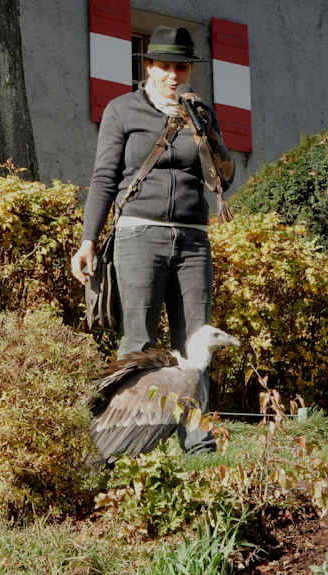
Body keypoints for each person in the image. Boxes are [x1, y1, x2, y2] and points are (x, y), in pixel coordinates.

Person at [70, 25, 234, 450]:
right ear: (148, 67)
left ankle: (198, 442)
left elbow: (222, 178)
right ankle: (120, 437)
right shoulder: (122, 110)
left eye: (181, 67)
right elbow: (104, 178)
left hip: (193, 239)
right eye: (164, 66)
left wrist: (206, 131)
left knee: (195, 341)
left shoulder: (201, 112)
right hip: (139, 235)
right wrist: (89, 240)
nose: (173, 75)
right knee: (138, 340)